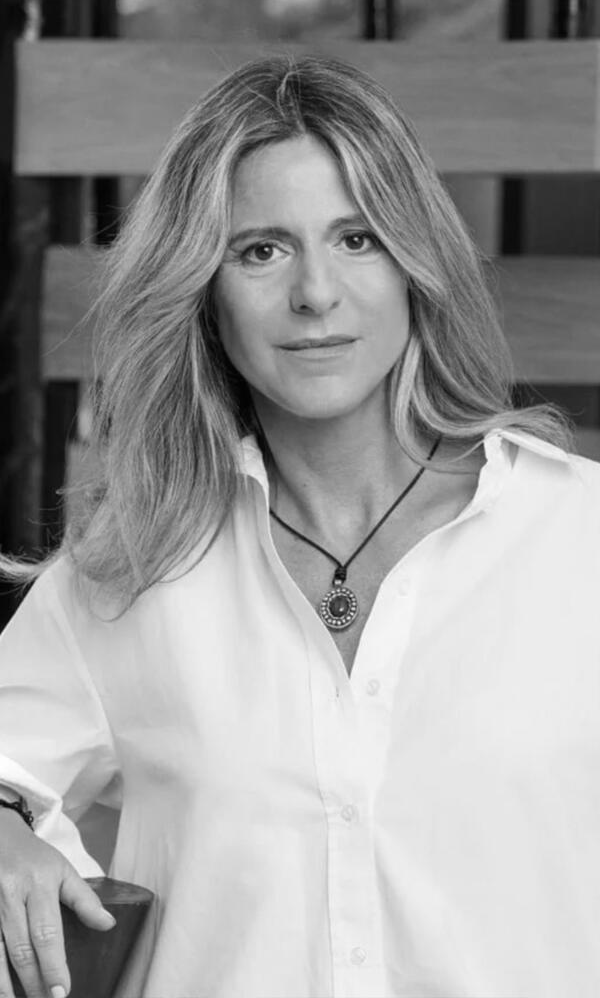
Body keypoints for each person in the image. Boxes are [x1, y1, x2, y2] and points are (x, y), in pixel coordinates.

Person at [0, 49, 598, 998]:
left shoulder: (578, 538)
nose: (315, 293)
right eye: (261, 250)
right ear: (205, 291)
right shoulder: (132, 567)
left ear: (416, 263)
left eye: (357, 238)